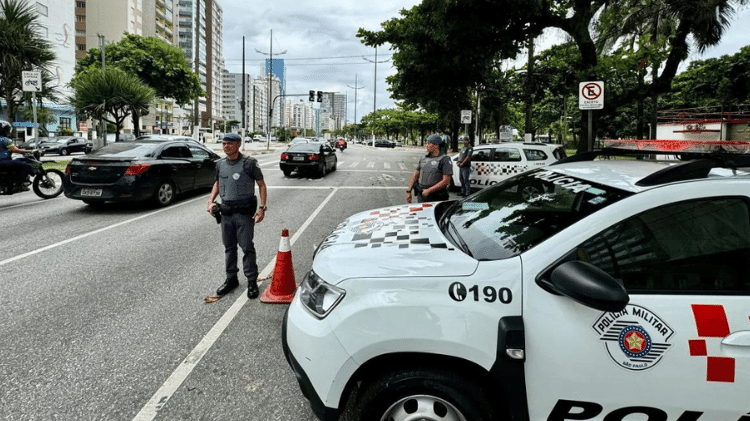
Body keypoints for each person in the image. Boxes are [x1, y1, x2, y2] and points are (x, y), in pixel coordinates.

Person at [206, 133, 268, 299]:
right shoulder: (219, 164)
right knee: (229, 248)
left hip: (243, 213)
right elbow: (217, 183)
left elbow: (261, 184)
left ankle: (252, 280)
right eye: (224, 143)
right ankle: (231, 279)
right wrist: (210, 201)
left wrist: (262, 208)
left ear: (238, 145)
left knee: (247, 247)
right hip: (226, 213)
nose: (226, 146)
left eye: (230, 144)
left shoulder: (249, 163)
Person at [406, 134, 453, 203]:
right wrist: (409, 190)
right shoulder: (423, 158)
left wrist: (429, 190)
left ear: (436, 145)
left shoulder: (444, 160)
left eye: (428, 143)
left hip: (437, 196)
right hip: (422, 194)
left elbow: (446, 181)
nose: (426, 145)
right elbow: (416, 174)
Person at [0, 120, 34, 191]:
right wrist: (30, 151)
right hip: (3, 162)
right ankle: (18, 185)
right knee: (27, 166)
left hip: (3, 162)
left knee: (17, 162)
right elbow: (15, 150)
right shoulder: (5, 140)